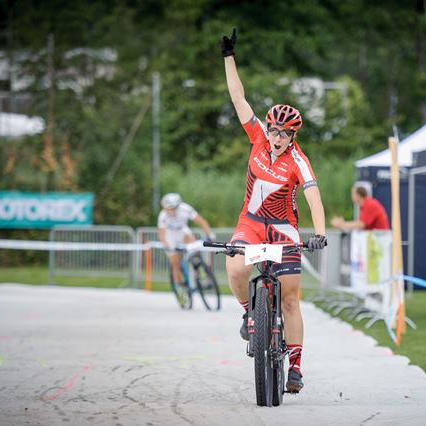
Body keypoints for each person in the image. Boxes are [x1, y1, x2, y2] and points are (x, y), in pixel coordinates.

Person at [221, 28, 327, 393]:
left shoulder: (298, 160)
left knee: (291, 298)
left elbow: (313, 197)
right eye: (274, 130)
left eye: (284, 133)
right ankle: (249, 313)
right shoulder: (257, 139)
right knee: (235, 267)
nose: (277, 137)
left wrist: (320, 233)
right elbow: (238, 98)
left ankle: (295, 365)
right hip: (251, 223)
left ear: (294, 136)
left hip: (283, 229)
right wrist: (228, 57)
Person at [157, 193, 214, 287]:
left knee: (195, 248)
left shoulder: (185, 209)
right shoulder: (162, 216)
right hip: (170, 235)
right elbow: (162, 235)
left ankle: (198, 272)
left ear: (177, 206)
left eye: (172, 208)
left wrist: (210, 234)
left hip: (182, 231)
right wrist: (166, 245)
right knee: (175, 263)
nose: (170, 211)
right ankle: (180, 286)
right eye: (167, 209)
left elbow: (201, 221)